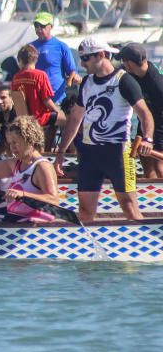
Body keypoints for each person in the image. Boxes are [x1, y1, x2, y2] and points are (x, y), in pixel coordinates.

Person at [55, 37, 155, 223]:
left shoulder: (124, 81)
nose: (82, 63)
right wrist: (61, 151)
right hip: (90, 153)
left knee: (129, 207)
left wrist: (147, 139)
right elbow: (75, 117)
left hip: (118, 152)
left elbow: (145, 114)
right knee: (85, 211)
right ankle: (86, 250)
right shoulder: (87, 83)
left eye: (85, 58)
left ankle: (150, 249)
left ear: (101, 55)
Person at [119, 42, 163, 178]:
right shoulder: (133, 75)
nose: (122, 65)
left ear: (130, 63)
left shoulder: (157, 82)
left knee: (159, 168)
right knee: (148, 169)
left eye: (123, 61)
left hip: (161, 127)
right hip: (145, 125)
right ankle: (154, 196)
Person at [12, 43, 64, 149]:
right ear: (35, 60)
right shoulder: (40, 75)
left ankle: (46, 147)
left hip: (24, 118)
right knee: (66, 119)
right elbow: (46, 100)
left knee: (54, 122)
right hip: (39, 117)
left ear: (20, 60)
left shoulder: (16, 77)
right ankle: (62, 150)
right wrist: (57, 111)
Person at [31, 11, 79, 104]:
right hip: (36, 100)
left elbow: (72, 71)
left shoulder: (61, 46)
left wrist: (72, 80)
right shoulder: (30, 47)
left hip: (56, 99)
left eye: (42, 26)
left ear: (51, 26)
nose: (39, 29)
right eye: (36, 26)